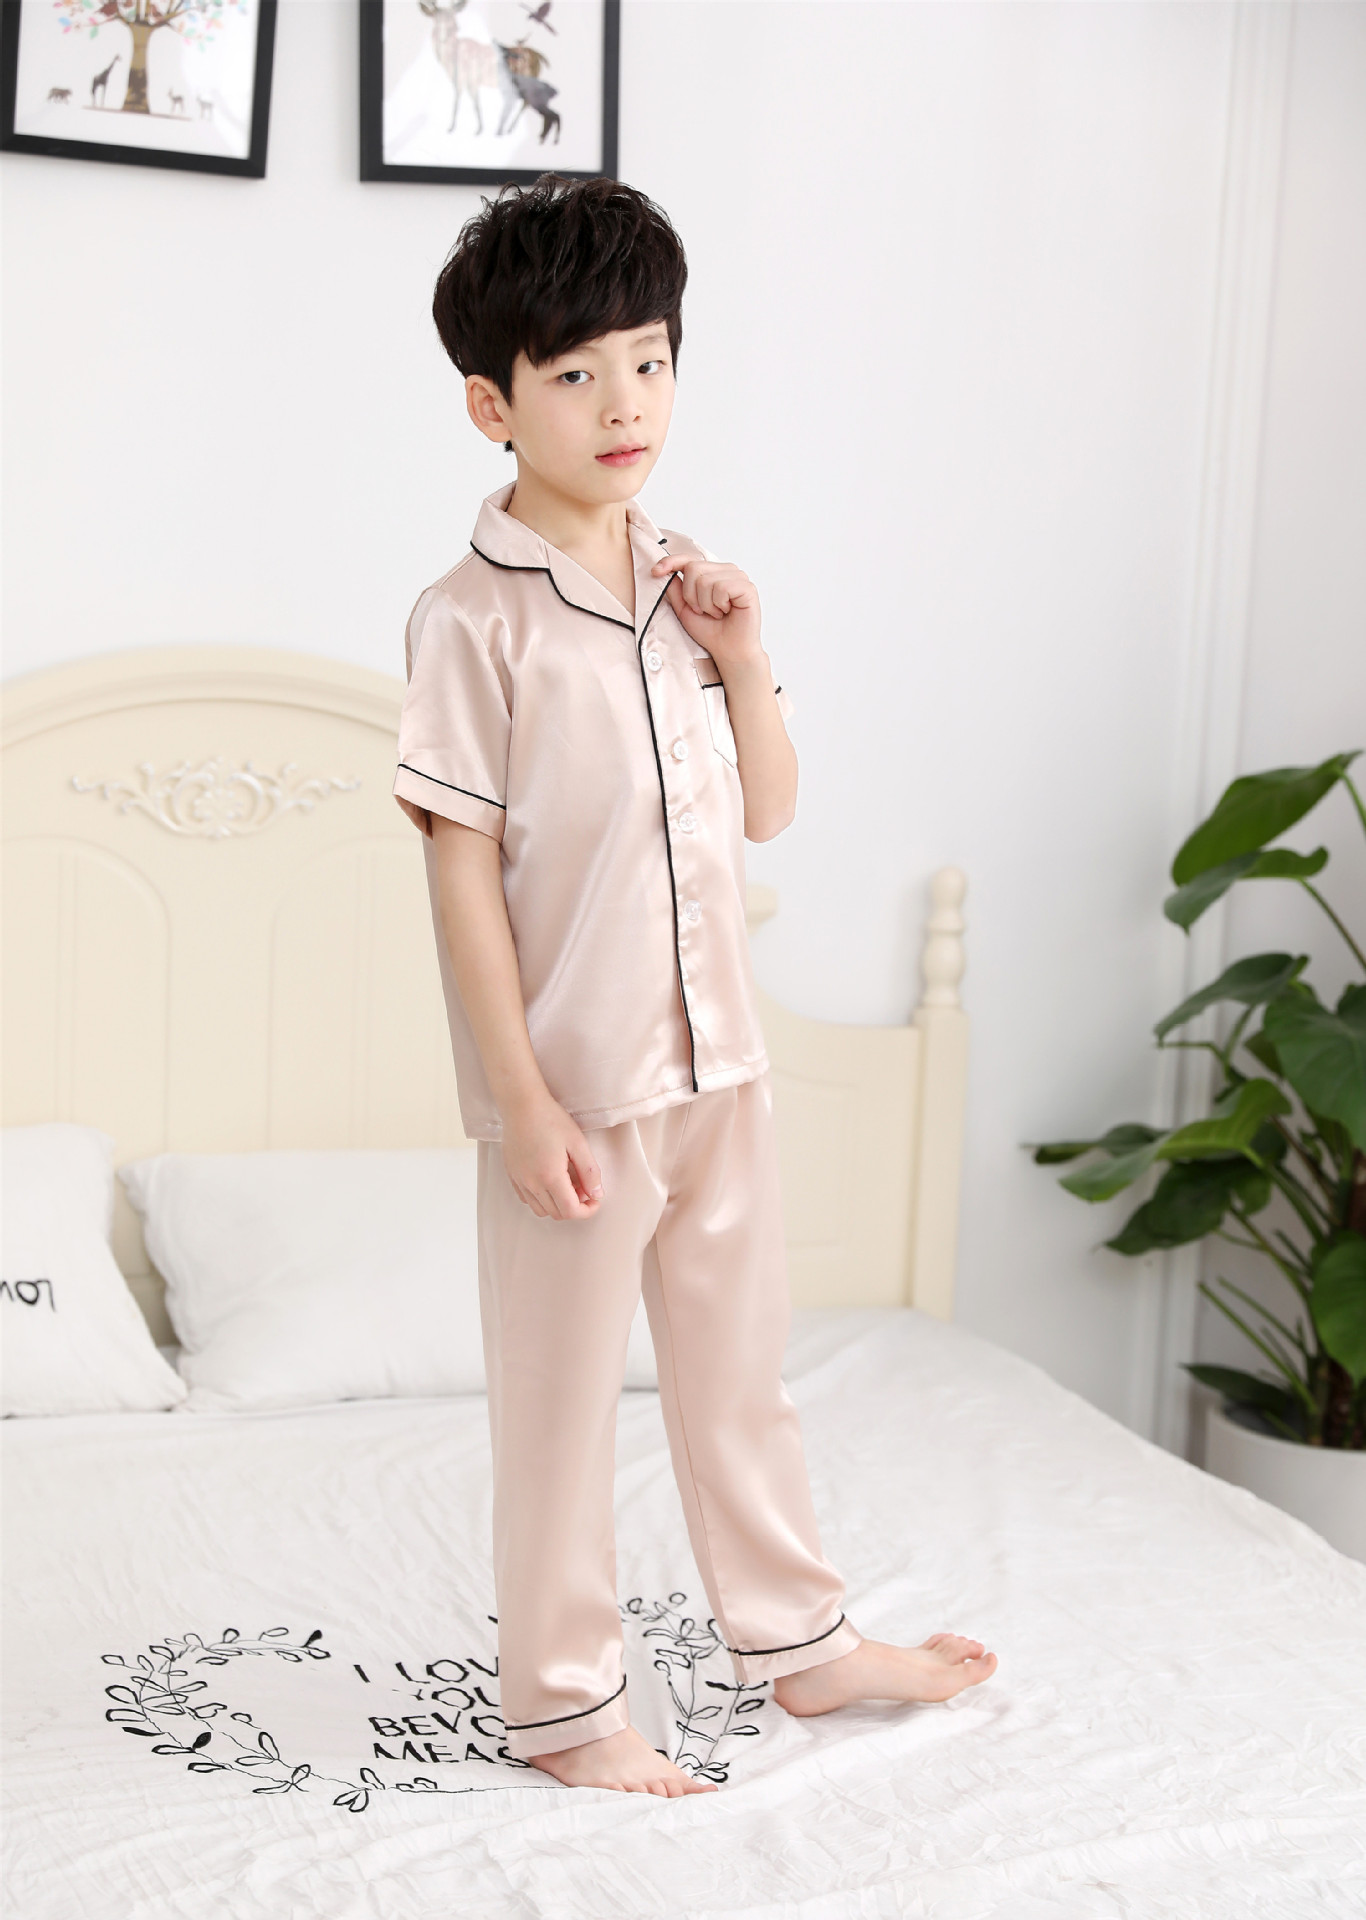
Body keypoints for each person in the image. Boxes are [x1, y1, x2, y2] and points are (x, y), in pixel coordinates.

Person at [392, 173, 997, 1798]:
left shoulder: (686, 585)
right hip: (579, 1093)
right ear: (491, 403)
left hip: (722, 1065)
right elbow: (459, 882)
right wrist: (520, 1104)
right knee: (558, 1411)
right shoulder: (469, 624)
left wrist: (739, 651)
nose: (624, 405)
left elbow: (768, 810)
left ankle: (801, 1645)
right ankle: (564, 1707)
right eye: (576, 372)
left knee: (741, 1382)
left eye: (649, 362)